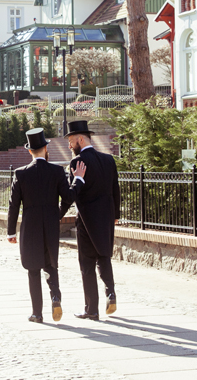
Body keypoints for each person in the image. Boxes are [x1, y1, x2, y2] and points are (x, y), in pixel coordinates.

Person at [7, 127, 85, 323]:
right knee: (51, 266)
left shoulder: (21, 174)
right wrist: (79, 179)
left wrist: (10, 232)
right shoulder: (57, 171)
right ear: (45, 149)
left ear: (29, 151)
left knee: (33, 270)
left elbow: (13, 205)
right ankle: (56, 298)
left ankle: (37, 313)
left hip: (30, 228)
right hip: (50, 226)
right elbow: (68, 196)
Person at [60, 120, 121, 321]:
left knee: (87, 264)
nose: (69, 146)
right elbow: (115, 190)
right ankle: (110, 293)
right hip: (106, 217)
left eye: (70, 141)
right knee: (104, 257)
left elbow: (73, 194)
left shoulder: (77, 163)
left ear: (80, 139)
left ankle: (91, 309)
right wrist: (116, 216)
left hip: (86, 219)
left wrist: (57, 215)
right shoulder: (108, 160)